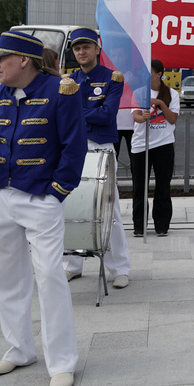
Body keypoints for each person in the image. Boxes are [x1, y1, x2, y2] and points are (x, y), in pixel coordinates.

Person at [0, 30, 86, 386]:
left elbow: (75, 147)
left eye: (0, 59)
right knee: (8, 278)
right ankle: (20, 349)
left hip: (41, 198)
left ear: (23, 60)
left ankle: (61, 362)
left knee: (50, 278)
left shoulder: (61, 92)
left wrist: (56, 193)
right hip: (0, 195)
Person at [61, 27, 131, 289]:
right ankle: (72, 265)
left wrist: (75, 112)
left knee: (109, 211)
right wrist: (89, 110)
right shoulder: (68, 80)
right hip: (73, 150)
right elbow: (79, 115)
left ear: (97, 49)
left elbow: (106, 115)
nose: (81, 52)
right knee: (71, 209)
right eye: (77, 48)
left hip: (100, 150)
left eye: (86, 47)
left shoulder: (112, 78)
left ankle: (119, 269)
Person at [130, 59, 179, 237]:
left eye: (149, 71)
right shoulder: (138, 92)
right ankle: (139, 225)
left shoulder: (172, 93)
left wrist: (160, 103)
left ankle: (161, 224)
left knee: (163, 186)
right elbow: (135, 116)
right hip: (141, 145)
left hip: (164, 144)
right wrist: (143, 116)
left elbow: (173, 119)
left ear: (159, 73)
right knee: (140, 187)